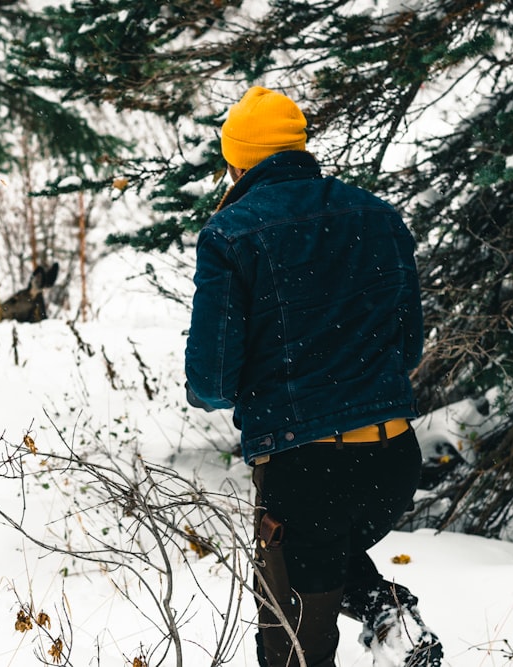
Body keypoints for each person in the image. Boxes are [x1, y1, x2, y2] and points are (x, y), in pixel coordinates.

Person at [184, 86, 442, 667]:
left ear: (236, 161)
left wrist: (208, 390)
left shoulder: (231, 234)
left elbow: (213, 378)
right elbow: (406, 348)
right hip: (394, 460)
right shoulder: (377, 216)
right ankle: (390, 619)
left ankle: (386, 615)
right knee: (325, 550)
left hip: (305, 468)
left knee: (293, 647)